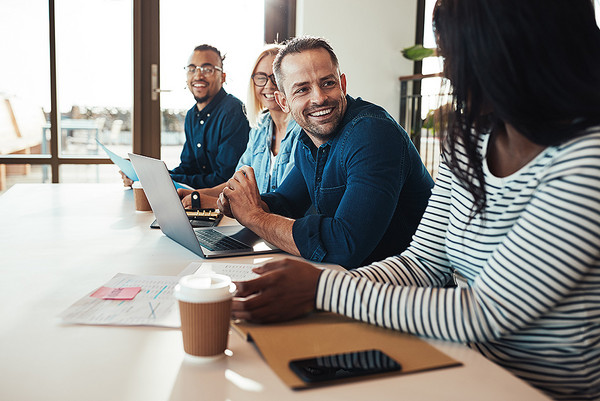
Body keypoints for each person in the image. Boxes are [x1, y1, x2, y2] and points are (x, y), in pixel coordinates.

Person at [230, 1, 600, 399]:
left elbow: (486, 312)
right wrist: (312, 289)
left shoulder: (586, 159)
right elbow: (423, 262)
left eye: (455, 52)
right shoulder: (469, 141)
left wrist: (322, 289)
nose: (450, 70)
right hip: (454, 358)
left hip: (537, 389)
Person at [218, 37, 434, 269]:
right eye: (302, 89)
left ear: (342, 83)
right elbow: (286, 201)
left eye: (328, 83)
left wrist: (255, 217)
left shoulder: (373, 133)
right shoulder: (308, 139)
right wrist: (242, 203)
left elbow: (344, 245)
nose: (319, 98)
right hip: (356, 279)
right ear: (283, 101)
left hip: (407, 290)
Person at [178, 44, 301, 209]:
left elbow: (285, 202)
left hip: (284, 228)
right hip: (255, 226)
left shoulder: (304, 131)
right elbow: (234, 184)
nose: (269, 85)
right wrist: (198, 194)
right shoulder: (260, 127)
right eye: (261, 77)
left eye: (277, 77)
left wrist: (214, 202)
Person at [121, 44, 250, 188]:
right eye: (192, 69)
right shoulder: (191, 115)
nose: (198, 76)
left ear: (223, 77)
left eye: (207, 69)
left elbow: (225, 178)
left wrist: (164, 179)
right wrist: (151, 177)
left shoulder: (234, 111)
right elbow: (188, 168)